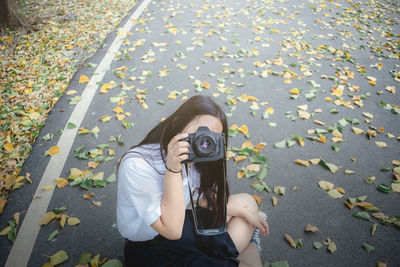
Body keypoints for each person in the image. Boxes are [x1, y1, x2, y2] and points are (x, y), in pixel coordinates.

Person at [117, 95, 269, 266]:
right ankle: (246, 247)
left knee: (247, 204)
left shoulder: (198, 158)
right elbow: (172, 230)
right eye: (200, 133)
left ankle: (232, 251)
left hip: (184, 228)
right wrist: (173, 168)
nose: (204, 143)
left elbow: (196, 198)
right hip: (151, 249)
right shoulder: (137, 165)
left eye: (212, 138)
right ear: (177, 123)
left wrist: (243, 212)